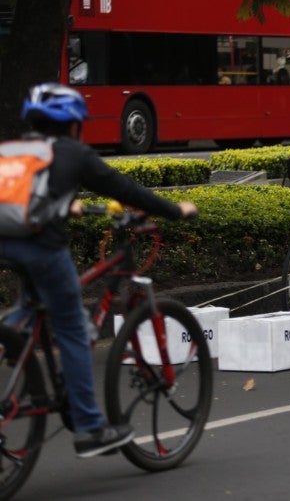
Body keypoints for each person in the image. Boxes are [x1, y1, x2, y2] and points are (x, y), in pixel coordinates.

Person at [1, 83, 198, 458]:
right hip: (41, 248)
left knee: (33, 300)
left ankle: (12, 340)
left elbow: (24, 197)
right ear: (74, 124)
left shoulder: (12, 149)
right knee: (73, 326)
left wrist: (70, 207)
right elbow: (127, 189)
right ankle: (91, 428)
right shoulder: (74, 152)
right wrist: (175, 210)